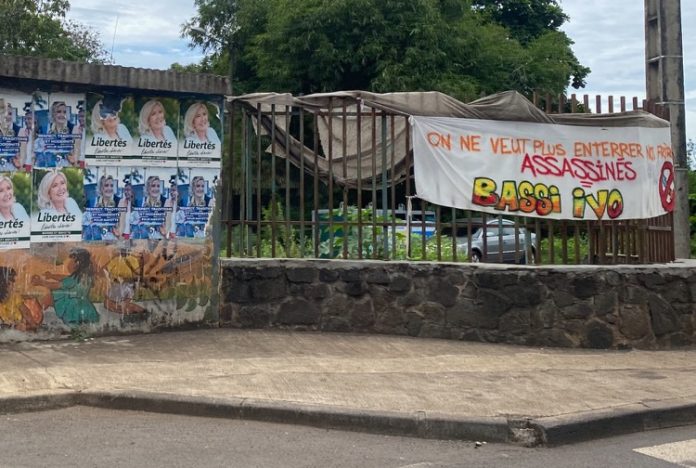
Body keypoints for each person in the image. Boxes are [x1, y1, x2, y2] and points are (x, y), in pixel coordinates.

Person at [30, 248, 99, 326]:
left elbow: (55, 286)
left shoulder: (73, 279)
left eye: (71, 261)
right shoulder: (85, 278)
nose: (68, 264)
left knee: (50, 296)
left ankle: (36, 319)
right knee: (83, 326)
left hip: (72, 307)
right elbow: (65, 278)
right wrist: (52, 276)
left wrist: (41, 282)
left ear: (77, 264)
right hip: (85, 306)